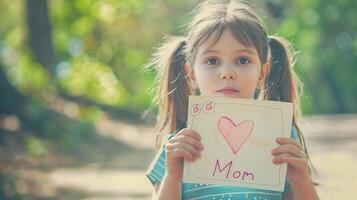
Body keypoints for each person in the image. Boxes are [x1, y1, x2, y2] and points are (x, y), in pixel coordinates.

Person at [145, 0, 319, 199]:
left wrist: (302, 182)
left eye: (242, 60)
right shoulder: (177, 147)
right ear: (191, 73)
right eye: (212, 61)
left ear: (262, 72)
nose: (227, 73)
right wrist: (173, 177)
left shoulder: (281, 140)